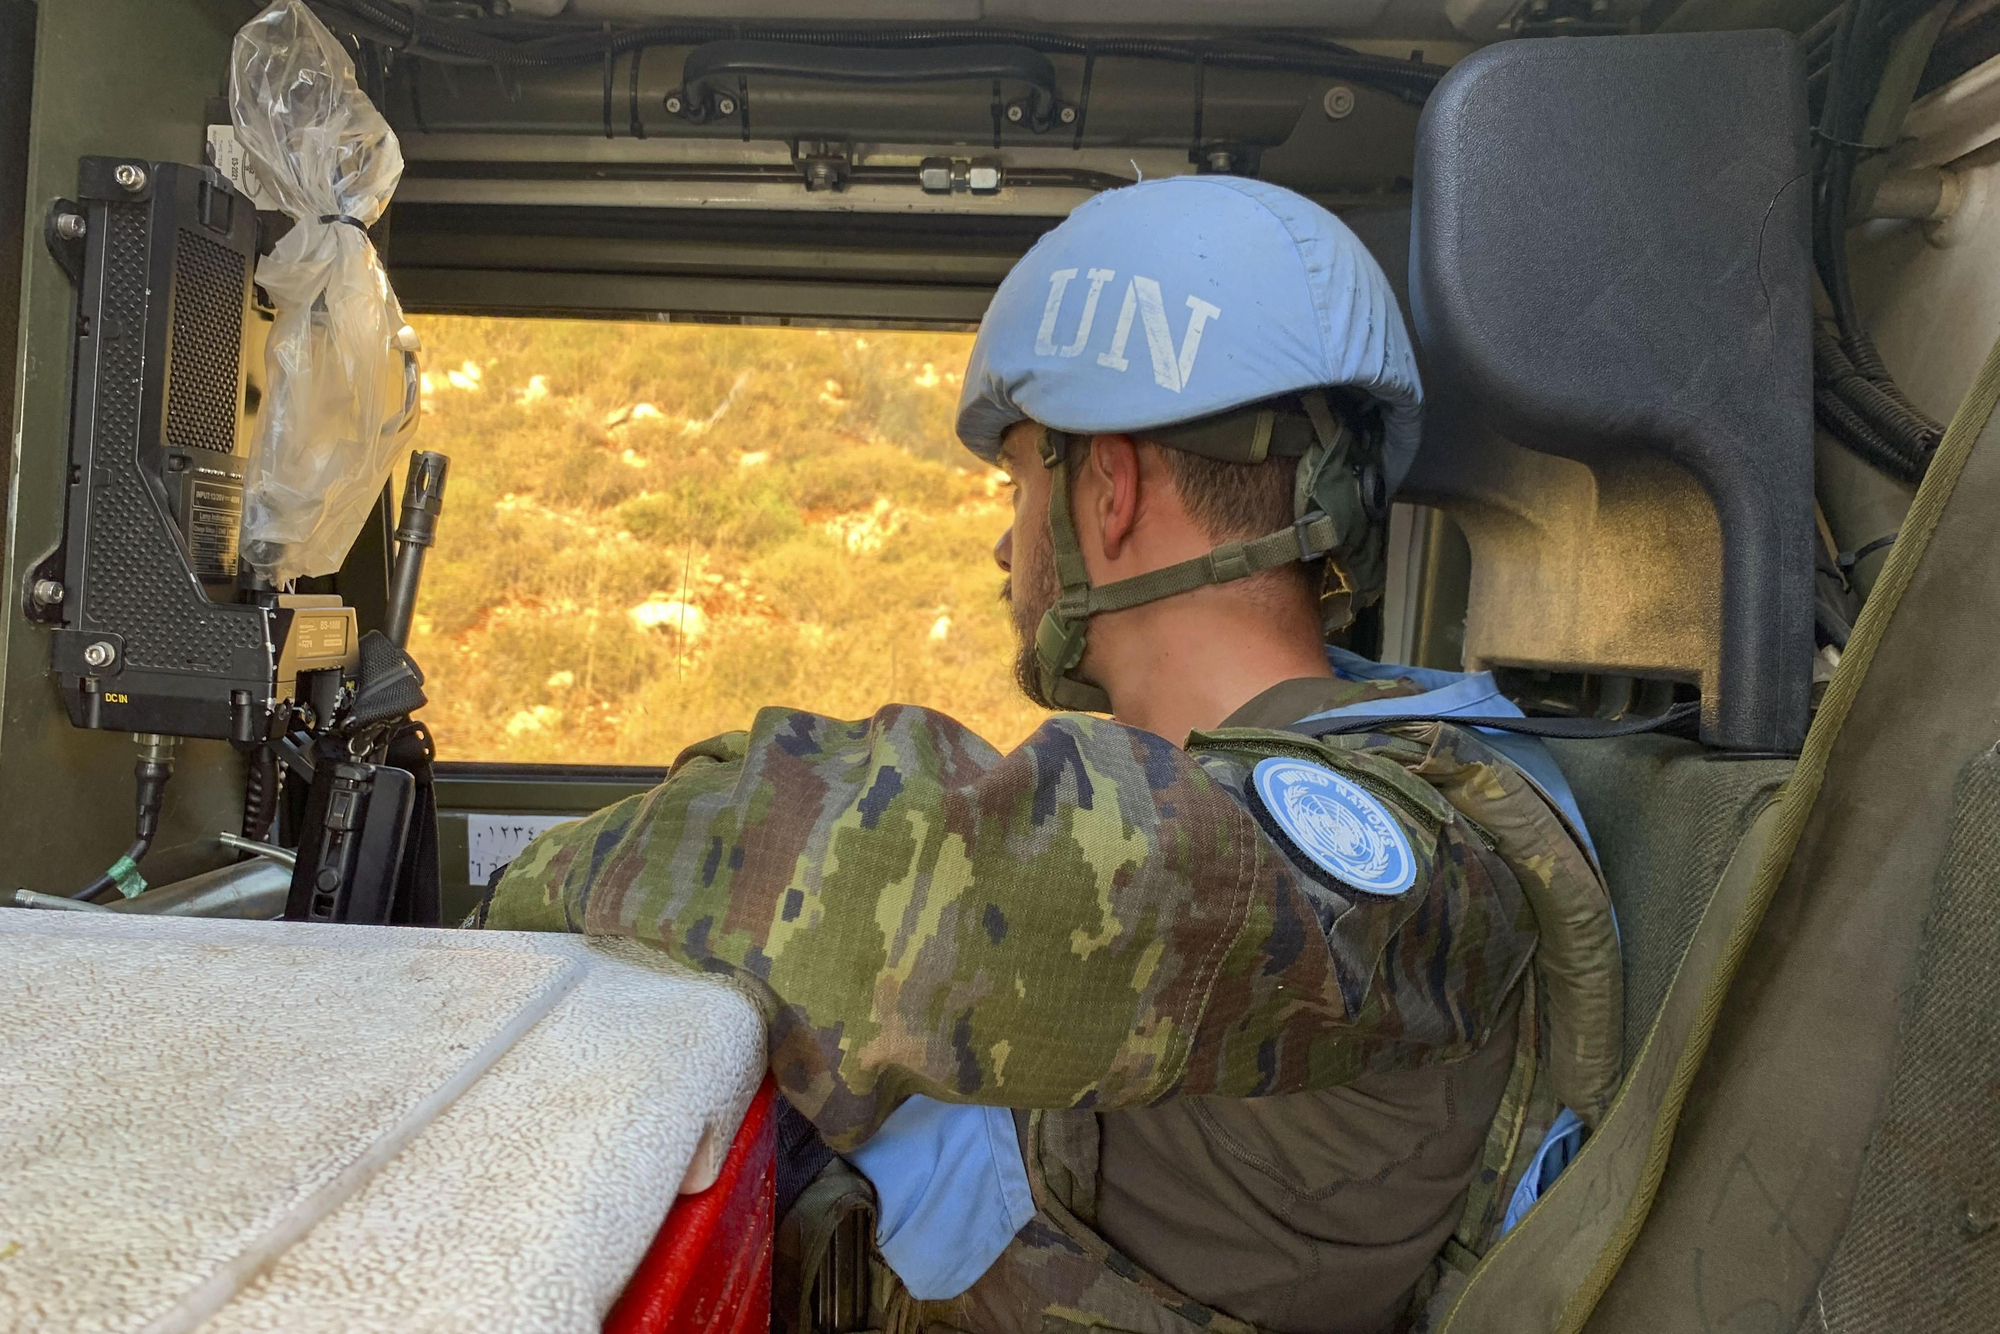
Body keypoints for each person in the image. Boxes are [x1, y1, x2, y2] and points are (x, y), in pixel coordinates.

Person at [478, 176, 1620, 1334]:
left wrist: (503, 903)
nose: (1002, 534)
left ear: (1109, 490)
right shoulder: (1264, 811)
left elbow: (863, 871)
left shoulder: (1389, 869)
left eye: (1024, 476)